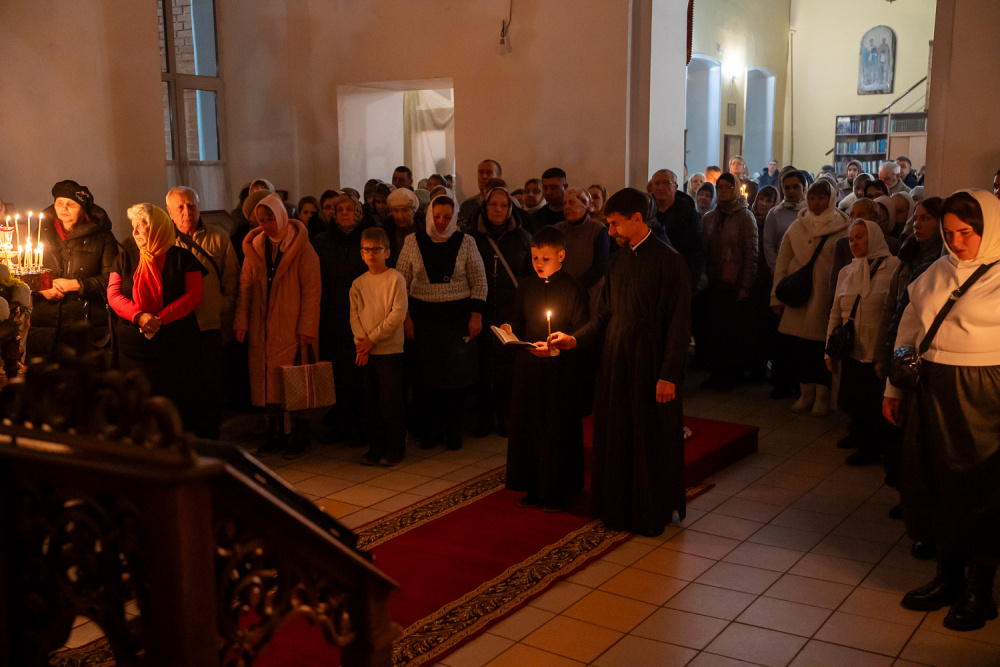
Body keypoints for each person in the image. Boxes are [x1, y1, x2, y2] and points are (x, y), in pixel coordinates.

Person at [884, 190, 1000, 632]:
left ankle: (980, 589)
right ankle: (947, 578)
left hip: (986, 394)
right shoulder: (936, 270)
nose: (956, 243)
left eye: (966, 234)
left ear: (989, 229)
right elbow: (909, 329)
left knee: (983, 490)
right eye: (950, 234)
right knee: (936, 481)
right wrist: (894, 387)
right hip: (933, 389)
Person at [550, 187, 691, 537]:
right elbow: (605, 314)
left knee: (647, 436)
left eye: (614, 224)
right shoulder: (619, 259)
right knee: (617, 434)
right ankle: (616, 507)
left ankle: (648, 509)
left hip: (650, 359)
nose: (609, 231)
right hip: (616, 357)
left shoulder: (669, 260)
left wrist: (669, 375)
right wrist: (575, 338)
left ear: (637, 220)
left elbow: (679, 323)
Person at [504, 226, 589, 512]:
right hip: (530, 367)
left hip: (559, 373)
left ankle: (558, 490)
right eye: (535, 257)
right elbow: (518, 318)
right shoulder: (527, 285)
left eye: (545, 258)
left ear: (561, 255)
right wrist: (509, 330)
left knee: (556, 429)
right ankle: (532, 486)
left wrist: (560, 343)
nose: (538, 264)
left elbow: (580, 330)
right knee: (530, 427)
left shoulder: (573, 288)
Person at [397, 195, 487, 450]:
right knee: (426, 379)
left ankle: (453, 428)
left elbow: (479, 280)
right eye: (436, 216)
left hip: (457, 321)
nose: (440, 222)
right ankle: (431, 429)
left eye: (447, 217)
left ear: (455, 217)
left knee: (455, 380)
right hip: (424, 321)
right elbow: (400, 283)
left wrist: (476, 315)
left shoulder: (466, 242)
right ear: (428, 215)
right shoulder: (412, 242)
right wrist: (406, 319)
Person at [234, 193, 321, 457]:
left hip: (292, 325)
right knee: (267, 381)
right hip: (262, 325)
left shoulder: (302, 247)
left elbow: (312, 290)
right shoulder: (256, 245)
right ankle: (275, 433)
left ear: (282, 215)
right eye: (262, 219)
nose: (267, 224)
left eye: (271, 217)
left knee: (296, 380)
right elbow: (245, 287)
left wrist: (307, 327)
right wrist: (241, 321)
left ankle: (300, 433)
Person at [108, 204, 205, 430]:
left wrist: (160, 319)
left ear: (159, 228)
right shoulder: (124, 259)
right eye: (134, 226)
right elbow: (113, 295)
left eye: (142, 226)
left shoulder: (183, 258)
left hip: (176, 345)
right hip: (135, 349)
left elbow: (193, 295)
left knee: (176, 400)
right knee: (139, 400)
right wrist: (140, 316)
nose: (136, 232)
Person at [166, 186, 241, 439]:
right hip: (177, 327)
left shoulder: (219, 239)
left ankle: (211, 435)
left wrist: (226, 320)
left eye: (191, 205)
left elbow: (232, 285)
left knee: (211, 384)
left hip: (211, 325)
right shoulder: (164, 242)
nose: (187, 212)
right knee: (182, 383)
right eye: (180, 207)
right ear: (169, 212)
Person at [771, 178, 850, 416]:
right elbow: (782, 263)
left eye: (822, 197)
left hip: (827, 298)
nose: (816, 203)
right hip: (799, 299)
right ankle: (806, 394)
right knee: (802, 349)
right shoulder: (797, 226)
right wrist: (776, 297)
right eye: (813, 197)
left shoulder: (844, 227)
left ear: (833, 198)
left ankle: (822, 398)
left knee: (822, 350)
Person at [826, 219, 898, 466]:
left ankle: (871, 447)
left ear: (875, 238)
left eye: (860, 237)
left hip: (875, 349)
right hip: (851, 348)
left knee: (871, 402)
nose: (854, 242)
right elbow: (836, 312)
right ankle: (858, 434)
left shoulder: (894, 267)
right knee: (853, 397)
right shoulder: (847, 271)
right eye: (852, 238)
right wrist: (828, 349)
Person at [30, 180, 118, 357]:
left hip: (86, 322)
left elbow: (111, 279)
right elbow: (25, 271)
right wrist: (41, 287)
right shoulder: (41, 232)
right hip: (46, 324)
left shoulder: (102, 236)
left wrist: (76, 284)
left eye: (71, 204)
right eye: (59, 203)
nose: (64, 208)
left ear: (82, 208)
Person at [471, 185, 531, 437]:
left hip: (511, 310)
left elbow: (529, 275)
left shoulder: (523, 238)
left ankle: (507, 415)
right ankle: (483, 416)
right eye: (493, 205)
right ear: (485, 208)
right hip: (482, 310)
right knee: (483, 364)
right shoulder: (471, 237)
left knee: (509, 366)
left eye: (503, 205)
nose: (498, 210)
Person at [313, 194, 370, 447]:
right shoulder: (321, 241)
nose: (344, 213)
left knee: (360, 374)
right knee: (339, 373)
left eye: (349, 209)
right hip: (333, 315)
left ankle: (361, 427)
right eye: (339, 210)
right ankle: (342, 423)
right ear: (332, 214)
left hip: (362, 316)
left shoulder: (367, 239)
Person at [350, 226, 408, 467]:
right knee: (370, 401)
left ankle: (394, 449)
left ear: (387, 252)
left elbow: (397, 314)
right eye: (366, 250)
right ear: (361, 253)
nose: (371, 254)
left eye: (376, 249)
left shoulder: (395, 278)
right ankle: (375, 447)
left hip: (389, 351)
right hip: (366, 352)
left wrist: (372, 339)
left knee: (390, 402)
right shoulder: (358, 284)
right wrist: (361, 344)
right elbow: (354, 315)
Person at [700, 173, 759, 390]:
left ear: (735, 189)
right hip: (713, 282)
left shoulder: (745, 216)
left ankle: (731, 375)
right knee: (714, 331)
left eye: (728, 186)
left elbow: (751, 253)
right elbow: (703, 250)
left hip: (733, 284)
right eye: (720, 186)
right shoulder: (709, 217)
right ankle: (716, 373)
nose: (723, 190)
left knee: (731, 332)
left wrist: (746, 285)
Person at [554, 188, 610, 311]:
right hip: (563, 291)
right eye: (564, 203)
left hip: (591, 291)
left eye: (572, 203)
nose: (567, 207)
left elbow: (601, 265)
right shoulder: (558, 229)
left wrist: (577, 285)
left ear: (585, 204)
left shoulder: (598, 229)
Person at [648, 169, 704, 289]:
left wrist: (691, 279)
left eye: (666, 183)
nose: (661, 187)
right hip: (651, 276)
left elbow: (696, 248)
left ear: (675, 187)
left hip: (680, 275)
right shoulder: (645, 211)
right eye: (657, 183)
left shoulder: (688, 213)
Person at [458, 159, 502, 231]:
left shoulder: (509, 204)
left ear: (499, 177)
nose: (484, 176)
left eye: (489, 173)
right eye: (481, 172)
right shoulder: (467, 205)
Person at [385, 187, 420, 265]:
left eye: (405, 210)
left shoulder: (423, 229)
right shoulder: (387, 231)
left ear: (413, 211)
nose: (400, 216)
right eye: (396, 211)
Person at [529, 168, 569, 232]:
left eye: (553, 187)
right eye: (545, 188)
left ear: (565, 187)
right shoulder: (536, 217)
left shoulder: (572, 214)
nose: (548, 192)